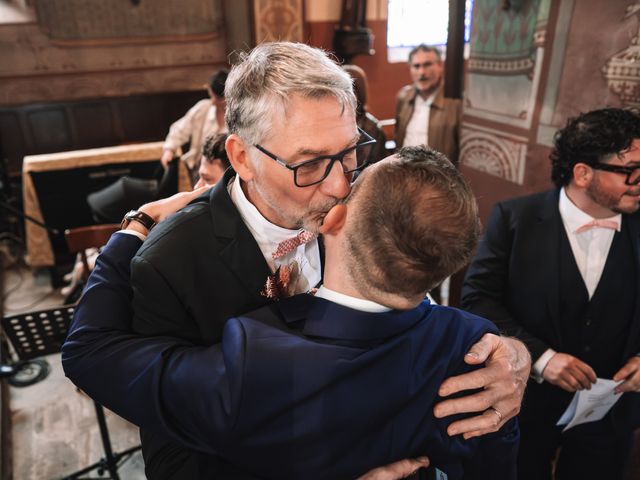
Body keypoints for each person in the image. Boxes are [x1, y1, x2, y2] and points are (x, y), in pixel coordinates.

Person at [83, 42, 527, 479]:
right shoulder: (170, 260)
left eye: (350, 151)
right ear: (243, 157)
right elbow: (173, 463)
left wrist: (510, 355)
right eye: (310, 163)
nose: (339, 186)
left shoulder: (365, 205)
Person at [461, 107, 640, 480]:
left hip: (611, 415)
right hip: (526, 407)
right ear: (582, 173)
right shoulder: (514, 220)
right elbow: (478, 299)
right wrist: (542, 359)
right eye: (629, 170)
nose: (639, 180)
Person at [395, 45, 461, 164]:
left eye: (427, 65)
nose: (422, 72)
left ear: (440, 66)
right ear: (410, 69)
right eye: (416, 66)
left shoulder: (456, 102)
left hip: (439, 177)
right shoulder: (403, 97)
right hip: (405, 173)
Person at [160, 69, 228, 184]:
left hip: (229, 171)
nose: (221, 102)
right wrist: (169, 150)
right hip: (200, 168)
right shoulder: (203, 108)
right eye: (218, 98)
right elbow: (179, 129)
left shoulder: (240, 113)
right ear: (210, 91)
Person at [342, 64, 387, 165]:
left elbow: (377, 168)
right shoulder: (334, 124)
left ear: (359, 92)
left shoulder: (373, 128)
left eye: (348, 91)